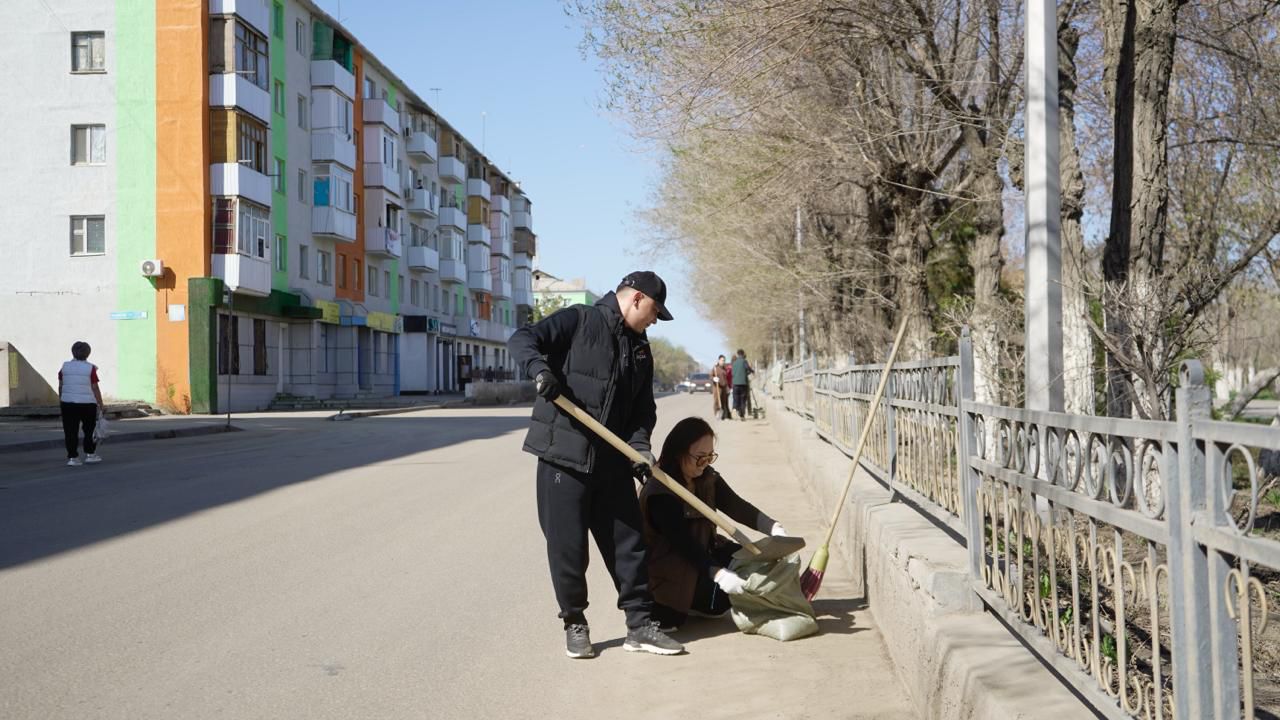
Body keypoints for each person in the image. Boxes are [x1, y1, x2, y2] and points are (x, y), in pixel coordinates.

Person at [508, 270, 685, 659]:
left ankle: (639, 625)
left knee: (629, 545)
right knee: (568, 549)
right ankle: (575, 623)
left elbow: (642, 411)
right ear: (636, 298)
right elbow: (523, 339)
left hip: (612, 463)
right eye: (655, 311)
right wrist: (540, 370)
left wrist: (640, 450)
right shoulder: (579, 319)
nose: (655, 320)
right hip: (563, 459)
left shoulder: (641, 350)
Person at [639, 417, 788, 629]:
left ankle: (704, 599)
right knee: (694, 610)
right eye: (699, 457)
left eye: (710, 457)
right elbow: (684, 544)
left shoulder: (705, 477)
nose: (705, 464)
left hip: (703, 557)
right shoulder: (660, 492)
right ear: (678, 452)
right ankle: (693, 601)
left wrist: (773, 527)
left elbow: (736, 505)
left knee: (757, 567)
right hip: (670, 574)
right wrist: (717, 573)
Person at [58, 341, 104, 467]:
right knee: (89, 430)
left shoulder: (64, 367)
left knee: (70, 430)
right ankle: (90, 454)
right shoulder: (90, 368)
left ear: (73, 352)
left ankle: (73, 458)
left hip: (68, 403)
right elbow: (94, 387)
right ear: (88, 354)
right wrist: (100, 403)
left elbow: (61, 385)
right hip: (87, 404)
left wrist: (61, 400)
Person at [731, 349, 753, 420]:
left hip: (735, 384)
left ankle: (736, 409)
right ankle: (742, 415)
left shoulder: (734, 363)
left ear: (737, 355)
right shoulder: (744, 361)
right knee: (743, 400)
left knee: (736, 399)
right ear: (743, 354)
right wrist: (750, 372)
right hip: (743, 384)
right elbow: (748, 368)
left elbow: (732, 374)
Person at [711, 355, 731, 421]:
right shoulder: (715, 368)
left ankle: (724, 416)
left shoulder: (725, 369)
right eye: (722, 360)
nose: (723, 362)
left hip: (724, 387)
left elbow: (726, 379)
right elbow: (710, 376)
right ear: (719, 360)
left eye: (724, 360)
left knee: (724, 402)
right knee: (717, 401)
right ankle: (717, 413)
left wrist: (727, 387)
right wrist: (714, 378)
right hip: (717, 388)